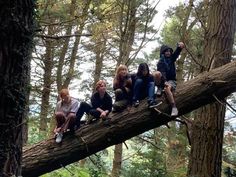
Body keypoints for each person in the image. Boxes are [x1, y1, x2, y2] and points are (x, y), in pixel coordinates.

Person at [153, 42, 185, 117]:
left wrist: (179, 47)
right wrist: (164, 81)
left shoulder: (172, 59)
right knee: (156, 73)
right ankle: (159, 88)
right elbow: (162, 73)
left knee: (167, 89)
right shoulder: (160, 62)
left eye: (169, 51)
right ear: (163, 53)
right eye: (166, 51)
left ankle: (174, 107)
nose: (168, 53)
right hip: (163, 80)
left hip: (171, 80)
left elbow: (176, 53)